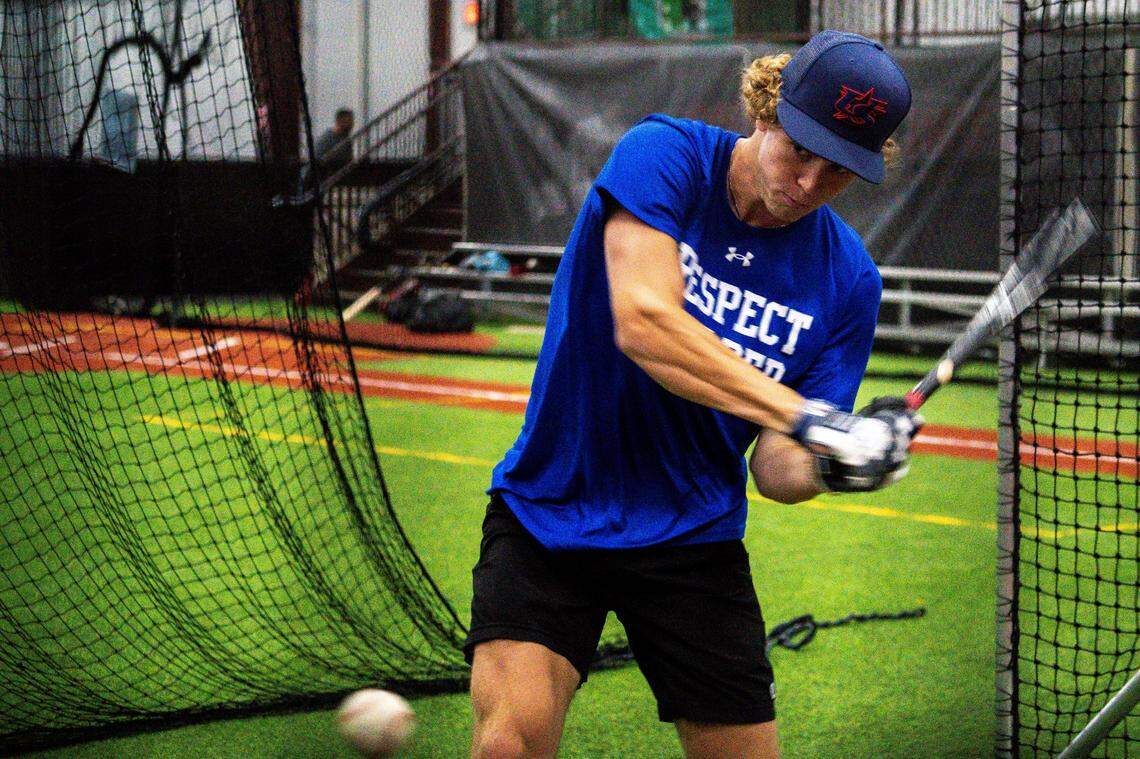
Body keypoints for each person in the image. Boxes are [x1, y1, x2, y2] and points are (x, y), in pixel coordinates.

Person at [465, 31, 922, 759]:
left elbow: (774, 468)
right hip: (552, 509)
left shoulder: (849, 281)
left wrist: (834, 463)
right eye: (799, 149)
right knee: (508, 747)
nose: (807, 182)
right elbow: (644, 322)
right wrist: (818, 420)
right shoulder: (664, 156)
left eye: (836, 171)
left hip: (693, 538)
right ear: (768, 111)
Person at [313, 107, 355, 174]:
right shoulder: (327, 138)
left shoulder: (346, 140)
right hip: (323, 173)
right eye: (348, 121)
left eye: (352, 122)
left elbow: (350, 159)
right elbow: (318, 158)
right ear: (339, 121)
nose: (351, 125)